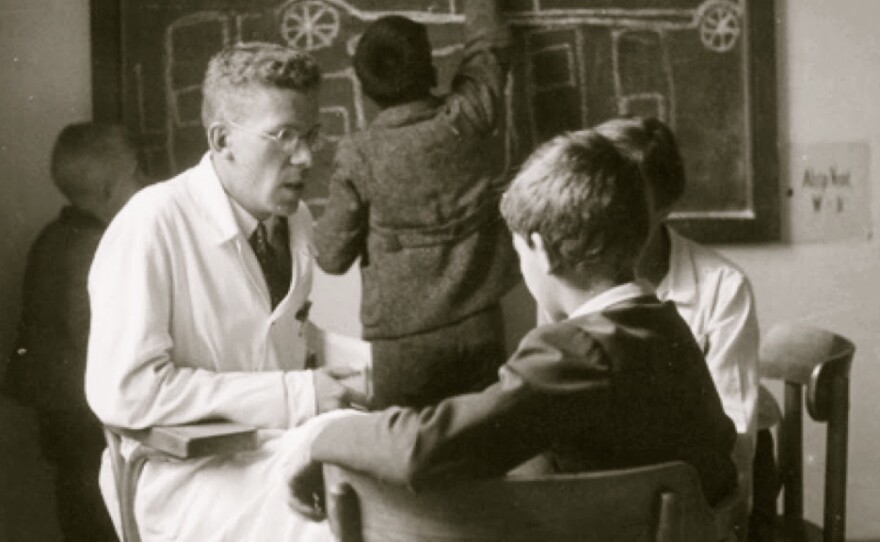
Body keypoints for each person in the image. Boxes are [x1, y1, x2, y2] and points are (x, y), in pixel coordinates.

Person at [289, 129, 739, 520]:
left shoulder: (576, 351)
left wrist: (321, 438)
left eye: (519, 253)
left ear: (540, 251)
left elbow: (421, 449)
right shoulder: (666, 327)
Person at [85, 43, 361, 542]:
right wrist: (297, 393)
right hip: (186, 474)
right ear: (222, 139)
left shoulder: (292, 220)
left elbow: (283, 334)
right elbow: (127, 393)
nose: (304, 157)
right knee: (348, 522)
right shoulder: (152, 222)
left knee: (385, 483)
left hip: (271, 449)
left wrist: (383, 363)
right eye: (283, 136)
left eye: (310, 135)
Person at [314, 0, 520, 409]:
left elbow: (331, 257)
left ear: (364, 86)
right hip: (480, 324)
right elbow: (490, 45)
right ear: (430, 67)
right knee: (485, 449)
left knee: (407, 458)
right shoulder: (466, 115)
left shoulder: (360, 154)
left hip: (403, 345)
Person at [593, 116, 766, 536]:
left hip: (692, 497)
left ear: (666, 207)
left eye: (631, 201)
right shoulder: (573, 277)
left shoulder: (722, 287)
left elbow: (736, 439)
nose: (607, 213)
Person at [2, 122, 144, 541]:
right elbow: (98, 341)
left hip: (62, 418)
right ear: (109, 188)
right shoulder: (98, 248)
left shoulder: (52, 237)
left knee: (80, 516)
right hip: (90, 420)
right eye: (137, 177)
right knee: (104, 519)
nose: (143, 186)